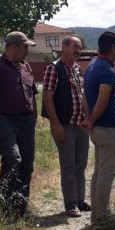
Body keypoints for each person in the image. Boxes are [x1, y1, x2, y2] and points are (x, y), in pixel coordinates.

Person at [0, 31, 40, 219]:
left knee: (27, 164)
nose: (27, 51)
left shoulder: (26, 66)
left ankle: (21, 209)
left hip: (27, 122)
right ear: (13, 47)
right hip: (7, 121)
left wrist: (34, 115)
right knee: (13, 158)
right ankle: (6, 208)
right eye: (25, 47)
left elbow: (32, 93)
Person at [42, 35, 92, 217]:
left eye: (80, 47)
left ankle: (80, 200)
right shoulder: (54, 68)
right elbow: (47, 97)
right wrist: (55, 125)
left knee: (81, 164)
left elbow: (83, 97)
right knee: (68, 166)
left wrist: (89, 119)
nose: (78, 50)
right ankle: (71, 203)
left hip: (81, 126)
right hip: (64, 125)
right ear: (64, 47)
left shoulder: (78, 70)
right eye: (74, 46)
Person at [83, 31, 115, 227]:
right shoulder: (107, 71)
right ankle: (102, 217)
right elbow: (102, 100)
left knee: (98, 173)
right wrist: (91, 119)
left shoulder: (92, 65)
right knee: (106, 175)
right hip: (107, 128)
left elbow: (85, 97)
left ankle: (96, 215)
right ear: (113, 48)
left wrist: (89, 119)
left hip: (98, 128)